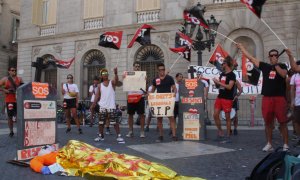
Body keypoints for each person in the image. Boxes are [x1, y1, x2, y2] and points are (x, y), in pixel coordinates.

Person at [237, 43, 289, 151]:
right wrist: (242, 48)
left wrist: (276, 65)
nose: (274, 56)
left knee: (282, 122)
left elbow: (283, 75)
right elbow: (251, 58)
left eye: (276, 55)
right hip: (267, 98)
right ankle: (269, 143)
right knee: (268, 122)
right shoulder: (265, 66)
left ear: (278, 56)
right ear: (269, 57)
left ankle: (285, 144)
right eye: (272, 55)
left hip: (279, 98)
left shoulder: (282, 66)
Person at [92, 68, 124, 142]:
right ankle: (100, 136)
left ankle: (119, 136)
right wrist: (93, 104)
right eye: (103, 74)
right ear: (101, 76)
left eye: (106, 73)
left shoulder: (111, 83)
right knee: (101, 122)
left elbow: (116, 81)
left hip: (111, 106)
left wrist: (116, 73)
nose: (105, 74)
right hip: (102, 106)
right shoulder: (99, 85)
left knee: (114, 122)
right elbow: (97, 96)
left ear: (108, 75)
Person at [212, 56, 236, 142]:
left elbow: (229, 87)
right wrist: (216, 83)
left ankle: (228, 136)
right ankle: (220, 131)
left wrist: (218, 82)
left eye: (223, 63)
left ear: (226, 64)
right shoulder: (222, 74)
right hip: (220, 96)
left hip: (227, 98)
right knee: (215, 115)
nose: (222, 65)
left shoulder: (232, 75)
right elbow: (219, 86)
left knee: (227, 117)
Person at [151, 63, 177, 142]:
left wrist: (174, 92)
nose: (162, 71)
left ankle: (174, 136)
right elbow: (152, 90)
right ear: (157, 71)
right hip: (159, 101)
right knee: (159, 119)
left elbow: (174, 88)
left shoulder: (170, 78)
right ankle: (161, 135)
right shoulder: (155, 79)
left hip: (168, 101)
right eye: (160, 70)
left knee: (171, 118)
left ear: (164, 70)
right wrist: (150, 95)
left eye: (163, 69)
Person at [0, 66, 23, 137]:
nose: (14, 72)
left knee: (19, 116)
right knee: (10, 117)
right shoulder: (5, 79)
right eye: (12, 70)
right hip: (9, 100)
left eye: (15, 70)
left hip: (18, 100)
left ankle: (20, 131)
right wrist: (5, 90)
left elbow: (23, 88)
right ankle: (11, 131)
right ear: (9, 71)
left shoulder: (19, 79)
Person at [125, 62, 146, 138]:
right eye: (136, 66)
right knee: (130, 115)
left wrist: (144, 80)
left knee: (141, 115)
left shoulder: (142, 75)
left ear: (140, 68)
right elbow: (125, 85)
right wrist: (124, 77)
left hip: (140, 96)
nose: (137, 67)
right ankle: (130, 131)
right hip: (131, 97)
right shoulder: (129, 75)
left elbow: (144, 88)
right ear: (133, 67)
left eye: (138, 66)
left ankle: (142, 132)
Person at [290, 61, 300, 147]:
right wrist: (292, 101)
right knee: (296, 121)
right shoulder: (294, 76)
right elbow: (292, 89)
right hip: (297, 102)